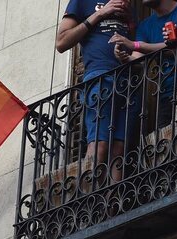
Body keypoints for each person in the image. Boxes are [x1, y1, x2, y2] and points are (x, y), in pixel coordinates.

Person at [56, 0, 137, 180]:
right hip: (100, 76)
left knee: (118, 150)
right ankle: (86, 202)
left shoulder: (127, 6)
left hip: (129, 81)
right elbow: (61, 42)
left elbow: (133, 43)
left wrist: (130, 23)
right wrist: (101, 13)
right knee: (99, 144)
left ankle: (112, 207)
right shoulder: (82, 1)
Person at [109, 0, 177, 128]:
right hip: (166, 93)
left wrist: (135, 45)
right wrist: (125, 57)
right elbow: (137, 60)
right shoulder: (145, 25)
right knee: (166, 143)